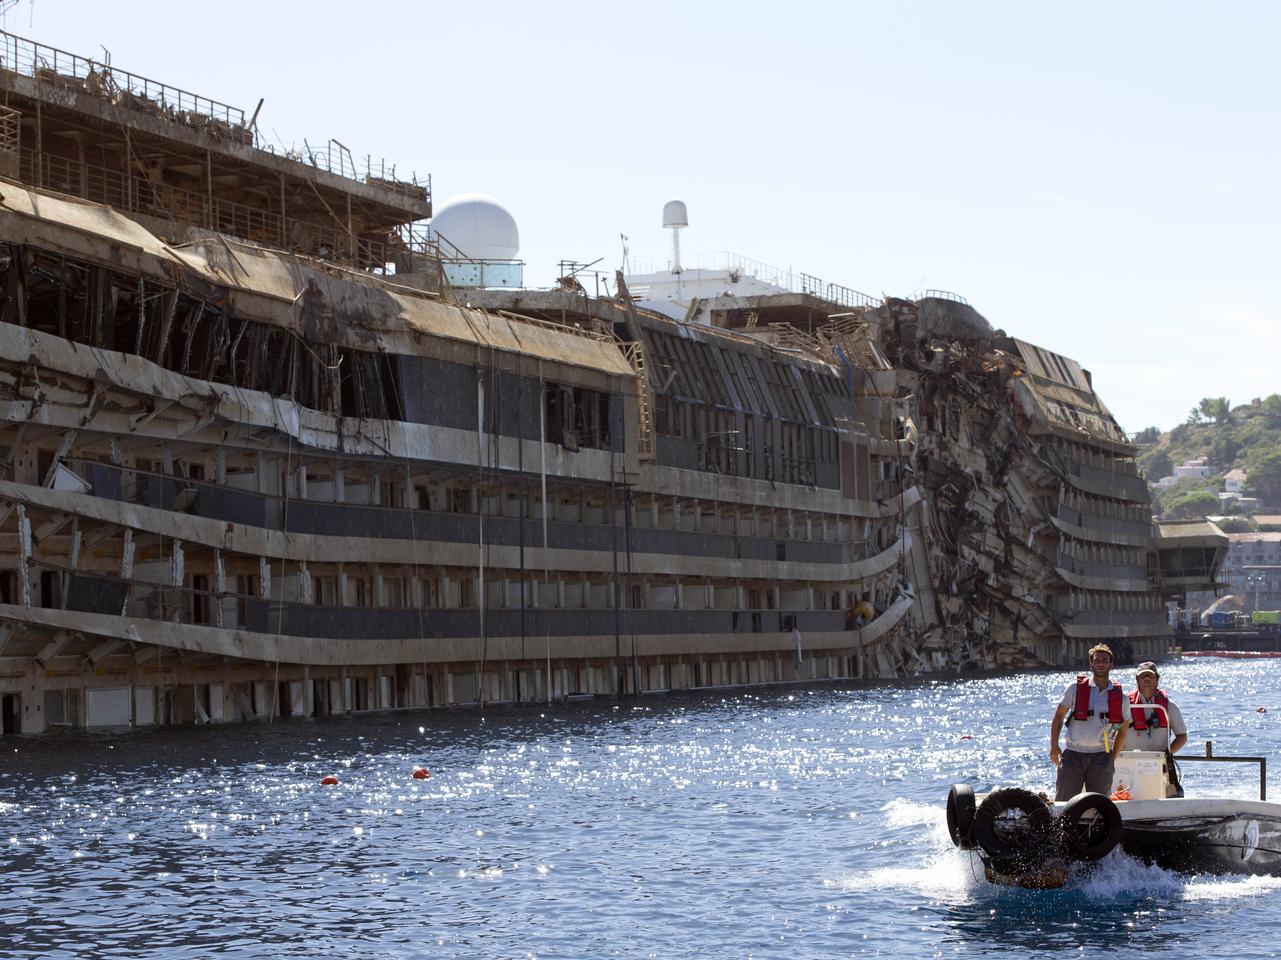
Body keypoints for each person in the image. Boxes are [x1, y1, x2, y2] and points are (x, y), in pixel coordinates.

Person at [1049, 643, 1131, 801]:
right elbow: (1058, 717)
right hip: (1073, 756)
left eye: (1105, 660)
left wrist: (1111, 760)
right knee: (1064, 803)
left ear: (1111, 664)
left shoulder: (1121, 698)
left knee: (1099, 805)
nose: (1101, 663)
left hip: (1102, 757)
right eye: (1097, 660)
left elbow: (1122, 729)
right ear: (1091, 663)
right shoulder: (1074, 689)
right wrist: (1054, 746)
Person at [1126, 661, 1188, 796]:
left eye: (1150, 676)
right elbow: (1113, 734)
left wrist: (1167, 754)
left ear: (1157, 679)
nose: (1147, 679)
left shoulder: (1169, 707)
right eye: (1143, 676)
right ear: (1137, 680)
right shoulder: (1124, 706)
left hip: (1161, 764)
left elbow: (1182, 736)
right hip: (1129, 762)